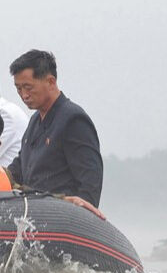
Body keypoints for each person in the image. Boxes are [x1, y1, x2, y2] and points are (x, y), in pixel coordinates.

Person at [6, 49, 104, 219]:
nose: (24, 95)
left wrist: (82, 218)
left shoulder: (73, 119)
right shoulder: (35, 121)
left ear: (51, 82)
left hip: (61, 219)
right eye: (18, 88)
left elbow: (90, 182)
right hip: (33, 216)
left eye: (28, 87)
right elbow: (19, 169)